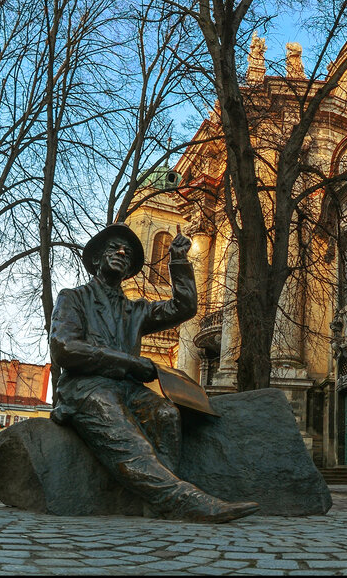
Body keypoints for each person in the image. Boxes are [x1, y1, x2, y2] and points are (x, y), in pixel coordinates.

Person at [49, 223, 258, 524]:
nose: (122, 252)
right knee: (130, 440)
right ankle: (183, 500)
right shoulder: (73, 298)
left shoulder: (134, 310)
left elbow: (183, 307)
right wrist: (131, 363)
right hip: (86, 387)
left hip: (126, 388)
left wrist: (179, 261)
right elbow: (64, 348)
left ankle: (161, 499)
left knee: (166, 414)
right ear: (96, 259)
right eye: (114, 247)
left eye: (128, 252)